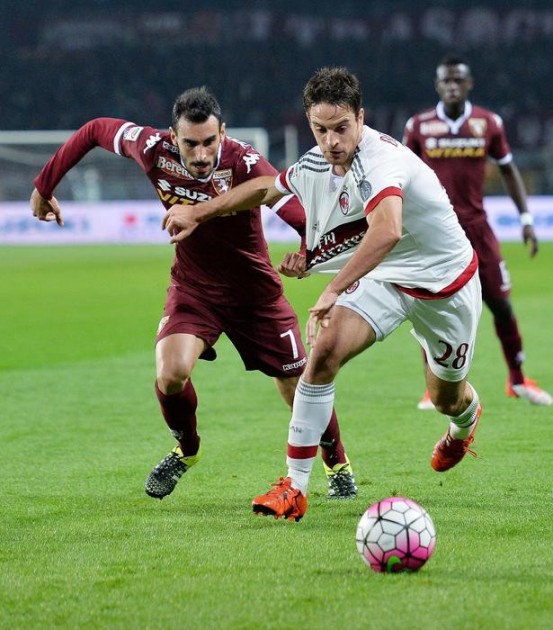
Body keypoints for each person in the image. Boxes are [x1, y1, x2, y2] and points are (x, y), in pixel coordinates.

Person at [160, 67, 484, 522]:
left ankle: (463, 425)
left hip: (445, 287)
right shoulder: (320, 162)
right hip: (387, 279)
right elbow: (263, 189)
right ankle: (295, 485)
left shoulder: (383, 160)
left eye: (341, 128)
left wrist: (331, 288)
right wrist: (202, 211)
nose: (331, 141)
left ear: (361, 119)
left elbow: (387, 229)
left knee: (447, 397)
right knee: (324, 352)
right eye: (320, 129)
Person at [30, 86, 358, 501]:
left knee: (299, 386)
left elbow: (297, 213)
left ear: (222, 132)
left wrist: (307, 254)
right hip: (194, 289)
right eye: (190, 144)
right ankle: (186, 451)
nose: (201, 155)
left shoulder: (245, 161)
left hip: (256, 295)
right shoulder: (150, 147)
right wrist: (44, 187)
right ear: (172, 136)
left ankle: (337, 463)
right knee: (170, 374)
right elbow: (95, 130)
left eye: (209, 142)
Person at [404, 54, 551, 409]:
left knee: (501, 304)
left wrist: (526, 219)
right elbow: (400, 175)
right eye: (446, 81)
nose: (452, 86)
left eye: (459, 80)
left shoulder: (488, 123)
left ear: (469, 84)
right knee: (432, 310)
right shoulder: (419, 126)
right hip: (436, 233)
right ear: (438, 85)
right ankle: (433, 387)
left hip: (478, 229)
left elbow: (508, 170)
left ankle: (517, 380)